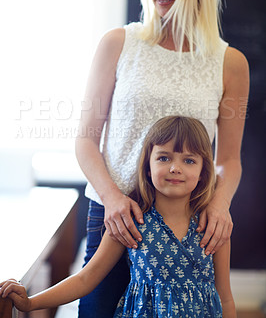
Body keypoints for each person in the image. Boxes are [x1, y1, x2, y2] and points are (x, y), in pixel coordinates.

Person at [75, 0, 249, 316]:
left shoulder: (230, 63)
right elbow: (85, 139)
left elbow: (229, 159)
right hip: (114, 217)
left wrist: (219, 205)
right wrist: (113, 199)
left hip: (185, 223)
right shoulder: (118, 43)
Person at [0, 116, 236, 318]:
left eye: (189, 160)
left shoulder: (214, 227)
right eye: (164, 158)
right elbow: (85, 279)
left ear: (203, 171)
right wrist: (30, 303)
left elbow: (224, 297)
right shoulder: (130, 222)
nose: (175, 168)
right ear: (147, 166)